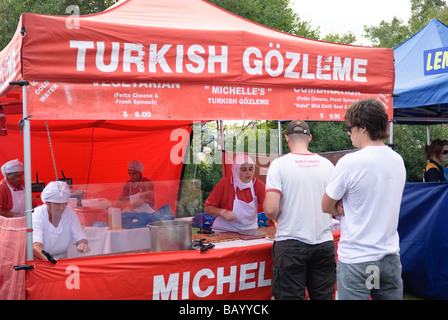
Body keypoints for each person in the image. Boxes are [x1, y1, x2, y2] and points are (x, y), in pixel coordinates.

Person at [322, 98, 406, 300]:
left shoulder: (350, 162)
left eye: (350, 128)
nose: (349, 133)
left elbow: (325, 205)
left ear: (363, 128)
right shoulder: (397, 160)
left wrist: (339, 207)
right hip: (389, 257)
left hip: (357, 259)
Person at [263, 120, 336, 300]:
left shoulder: (279, 165)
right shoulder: (327, 165)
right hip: (323, 242)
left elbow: (271, 209)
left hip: (290, 242)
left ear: (287, 138)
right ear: (309, 138)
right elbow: (337, 206)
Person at [204, 154, 265, 232]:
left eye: (250, 169)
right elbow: (208, 208)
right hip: (224, 230)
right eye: (243, 169)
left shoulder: (258, 185)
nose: (248, 173)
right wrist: (222, 212)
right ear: (236, 170)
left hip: (250, 231)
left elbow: (269, 206)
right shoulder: (224, 184)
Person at [33, 181, 90, 260]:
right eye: (57, 204)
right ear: (47, 202)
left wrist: (82, 243)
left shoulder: (70, 213)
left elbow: (80, 236)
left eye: (64, 204)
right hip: (41, 263)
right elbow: (35, 247)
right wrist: (51, 260)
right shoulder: (36, 215)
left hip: (62, 262)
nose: (61, 208)